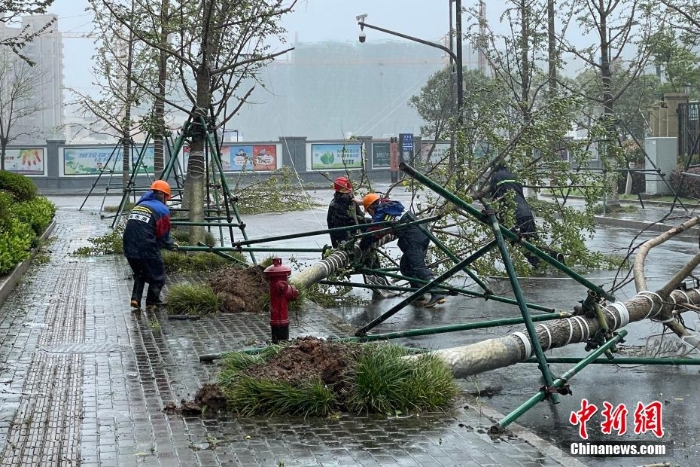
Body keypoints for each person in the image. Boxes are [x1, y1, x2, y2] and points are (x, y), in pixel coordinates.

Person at [360, 193, 446, 308]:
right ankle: (418, 293)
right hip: (421, 232)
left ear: (371, 208)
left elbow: (373, 233)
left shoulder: (381, 214)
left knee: (418, 267)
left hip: (413, 238)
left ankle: (437, 292)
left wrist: (361, 245)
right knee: (405, 266)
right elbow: (384, 228)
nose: (370, 215)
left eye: (369, 211)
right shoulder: (390, 205)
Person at [489, 164, 563, 268]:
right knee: (533, 240)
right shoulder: (515, 176)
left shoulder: (496, 176)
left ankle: (538, 264)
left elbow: (493, 196)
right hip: (526, 212)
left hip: (511, 214)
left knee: (518, 242)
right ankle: (553, 256)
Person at [326, 177, 389, 297]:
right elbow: (346, 226)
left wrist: (374, 224)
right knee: (364, 251)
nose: (348, 195)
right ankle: (374, 278)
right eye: (346, 193)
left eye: (349, 192)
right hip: (342, 238)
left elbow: (359, 218)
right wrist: (355, 240)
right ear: (339, 193)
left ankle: (380, 279)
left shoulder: (351, 200)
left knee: (371, 254)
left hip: (355, 234)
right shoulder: (335, 206)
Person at [122, 180, 178, 310]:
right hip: (146, 247)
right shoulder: (162, 209)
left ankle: (135, 299)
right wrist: (170, 243)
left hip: (128, 246)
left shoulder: (140, 205)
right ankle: (152, 301)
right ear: (163, 196)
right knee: (158, 275)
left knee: (140, 273)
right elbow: (163, 233)